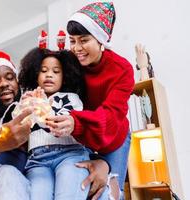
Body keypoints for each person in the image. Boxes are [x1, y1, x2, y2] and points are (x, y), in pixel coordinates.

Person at [0, 50, 111, 200]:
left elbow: (66, 139)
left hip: (40, 177)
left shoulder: (32, 105)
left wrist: (102, 164)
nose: (4, 83)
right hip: (1, 179)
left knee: (101, 190)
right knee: (8, 174)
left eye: (10, 77)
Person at [46, 2, 135, 199]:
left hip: (113, 140)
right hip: (79, 136)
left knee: (110, 192)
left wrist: (76, 122)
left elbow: (111, 117)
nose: (77, 48)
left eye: (84, 40)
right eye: (72, 41)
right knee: (81, 188)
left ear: (101, 39)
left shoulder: (122, 70)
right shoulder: (69, 63)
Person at [17, 47, 109, 200]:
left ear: (64, 77)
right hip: (37, 160)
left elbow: (61, 125)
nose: (49, 75)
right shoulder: (31, 98)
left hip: (69, 154)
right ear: (36, 76)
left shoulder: (71, 98)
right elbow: (19, 125)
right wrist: (23, 106)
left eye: (56, 71)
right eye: (44, 70)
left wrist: (43, 109)